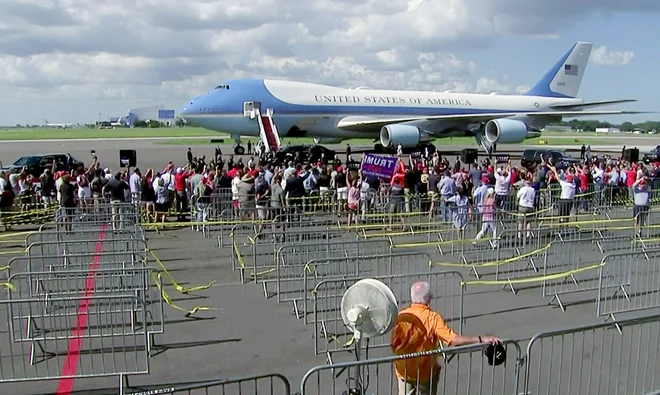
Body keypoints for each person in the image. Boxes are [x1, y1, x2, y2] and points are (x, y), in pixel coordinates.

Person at [391, 281, 501, 395]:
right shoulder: (433, 318)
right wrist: (481, 339)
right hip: (424, 371)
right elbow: (453, 340)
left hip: (403, 369)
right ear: (428, 298)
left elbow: (394, 343)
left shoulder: (401, 316)